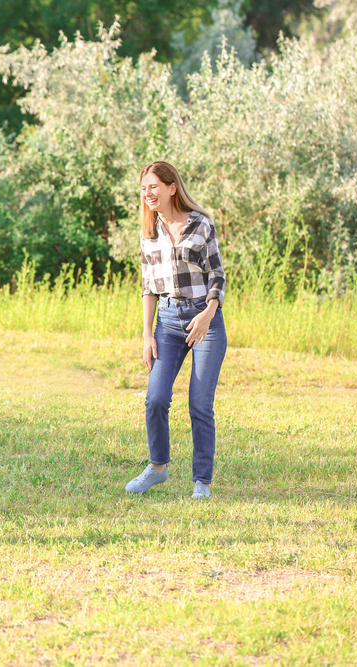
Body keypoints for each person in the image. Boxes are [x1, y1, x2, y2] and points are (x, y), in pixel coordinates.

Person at [125, 161, 227, 499]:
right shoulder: (149, 232)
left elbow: (217, 276)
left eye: (153, 186)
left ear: (172, 187)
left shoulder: (201, 225)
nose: (147, 193)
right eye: (143, 188)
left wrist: (208, 314)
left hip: (204, 320)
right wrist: (146, 334)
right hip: (167, 321)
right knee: (155, 398)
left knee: (199, 403)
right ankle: (157, 468)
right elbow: (148, 288)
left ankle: (202, 481)